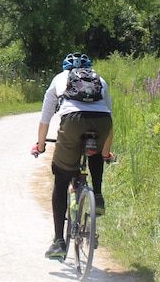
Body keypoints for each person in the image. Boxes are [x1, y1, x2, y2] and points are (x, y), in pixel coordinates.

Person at [31, 52, 114, 260]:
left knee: (61, 178)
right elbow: (109, 117)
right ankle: (98, 196)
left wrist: (40, 146)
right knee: (94, 149)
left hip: (73, 120)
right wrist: (105, 152)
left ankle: (59, 241)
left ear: (64, 67)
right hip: (102, 122)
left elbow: (45, 117)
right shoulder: (99, 80)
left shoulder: (59, 79)